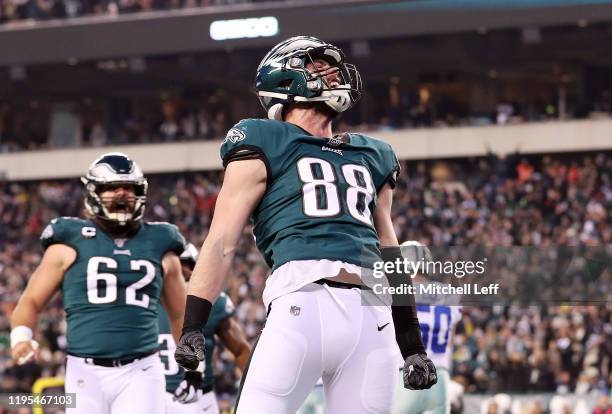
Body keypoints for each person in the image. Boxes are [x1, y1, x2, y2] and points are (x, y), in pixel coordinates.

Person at [174, 35, 437, 413]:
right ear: (285, 80)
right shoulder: (263, 139)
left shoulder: (373, 153)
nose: (332, 74)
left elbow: (389, 250)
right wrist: (193, 324)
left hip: (372, 318)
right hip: (303, 301)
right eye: (318, 66)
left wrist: (411, 343)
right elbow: (221, 241)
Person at [10, 152, 187, 414]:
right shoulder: (68, 242)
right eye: (112, 188)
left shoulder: (160, 242)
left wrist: (193, 364)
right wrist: (21, 337)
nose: (122, 194)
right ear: (94, 192)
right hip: (85, 371)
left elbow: (181, 315)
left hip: (142, 369)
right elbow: (31, 300)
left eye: (128, 187)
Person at [159, 243, 251, 414]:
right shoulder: (145, 300)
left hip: (201, 398)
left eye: (189, 266)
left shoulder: (213, 304)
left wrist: (256, 393)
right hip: (156, 395)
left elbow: (241, 350)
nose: (184, 272)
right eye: (179, 266)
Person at [392, 241, 463, 414]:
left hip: (407, 374)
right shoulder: (449, 294)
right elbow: (451, 340)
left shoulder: (394, 291)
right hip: (441, 379)